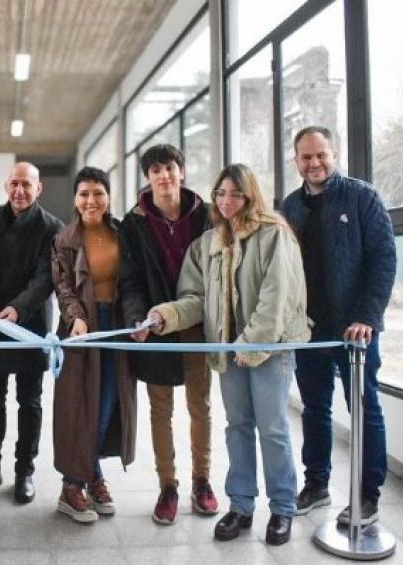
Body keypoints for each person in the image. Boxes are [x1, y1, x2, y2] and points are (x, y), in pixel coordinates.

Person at [149, 163, 309, 546]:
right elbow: (195, 299)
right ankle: (241, 505)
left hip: (268, 349)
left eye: (235, 193)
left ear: (250, 195)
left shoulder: (275, 235)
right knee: (237, 427)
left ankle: (282, 508)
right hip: (228, 352)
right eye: (220, 193)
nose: (226, 201)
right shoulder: (207, 244)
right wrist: (164, 315)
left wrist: (250, 342)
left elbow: (278, 297)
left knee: (272, 429)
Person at [280, 126, 397, 525]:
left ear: (335, 153)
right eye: (305, 157)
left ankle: (367, 496)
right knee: (314, 409)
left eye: (320, 155)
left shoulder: (362, 196)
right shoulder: (290, 207)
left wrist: (367, 316)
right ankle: (317, 485)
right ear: (295, 160)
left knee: (365, 409)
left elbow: (383, 259)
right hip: (308, 333)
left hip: (355, 331)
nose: (314, 163)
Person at [118, 144, 217, 525]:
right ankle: (168, 485)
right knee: (161, 410)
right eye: (155, 170)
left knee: (200, 407)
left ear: (182, 171)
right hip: (155, 326)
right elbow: (130, 280)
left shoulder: (207, 215)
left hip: (198, 326)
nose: (164, 176)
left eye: (170, 168)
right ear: (148, 177)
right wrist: (136, 320)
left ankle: (202, 481)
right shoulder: (134, 223)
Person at [0, 161, 64, 503]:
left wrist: (19, 310)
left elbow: (44, 279)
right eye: (14, 184)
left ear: (39, 189)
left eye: (26, 185)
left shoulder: (52, 226)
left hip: (30, 327)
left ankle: (25, 471)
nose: (19, 191)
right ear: (5, 186)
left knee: (29, 401)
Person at [51, 167, 137, 523]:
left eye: (98, 193)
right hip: (83, 329)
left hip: (117, 326)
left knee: (112, 403)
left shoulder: (122, 233)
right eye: (84, 193)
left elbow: (132, 279)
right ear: (75, 199)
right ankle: (74, 485)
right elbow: (63, 286)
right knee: (84, 406)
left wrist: (137, 318)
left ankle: (92, 476)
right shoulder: (64, 239)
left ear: (109, 197)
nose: (91, 200)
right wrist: (76, 317)